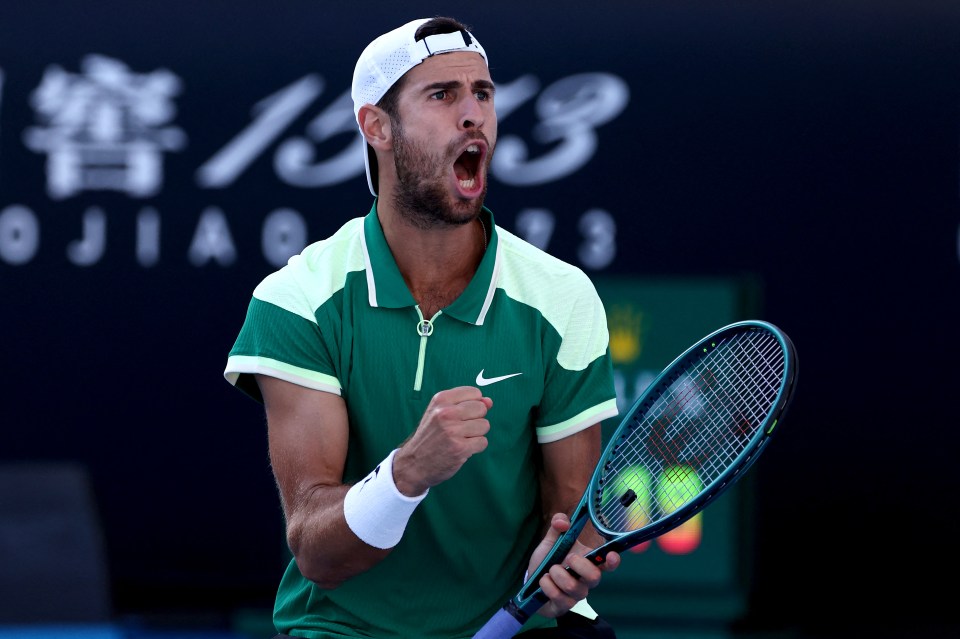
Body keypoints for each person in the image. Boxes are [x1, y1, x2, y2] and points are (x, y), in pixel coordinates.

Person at [223, 16, 622, 639]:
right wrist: (407, 474)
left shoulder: (562, 296)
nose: (475, 117)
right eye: (442, 95)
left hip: (517, 627)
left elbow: (571, 519)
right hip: (346, 628)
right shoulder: (296, 301)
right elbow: (318, 553)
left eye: (483, 94)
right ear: (375, 126)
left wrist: (566, 562)